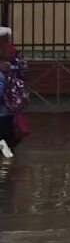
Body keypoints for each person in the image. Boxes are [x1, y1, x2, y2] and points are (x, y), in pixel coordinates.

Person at [0, 27, 26, 159]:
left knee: (5, 135)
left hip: (5, 107)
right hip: (10, 106)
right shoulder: (14, 56)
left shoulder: (10, 56)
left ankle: (7, 162)